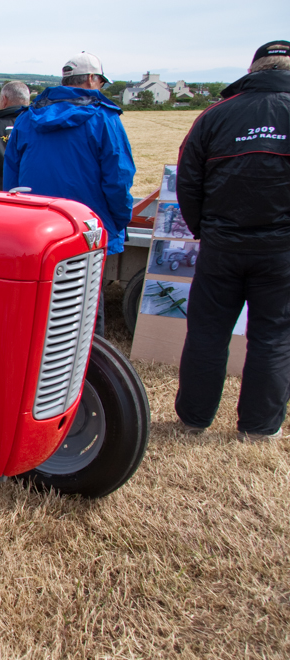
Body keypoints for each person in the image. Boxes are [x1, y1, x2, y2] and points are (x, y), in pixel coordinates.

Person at [173, 40, 290, 441]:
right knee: (273, 335)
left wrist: (204, 229)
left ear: (253, 69)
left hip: (222, 245)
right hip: (280, 251)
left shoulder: (214, 116)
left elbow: (188, 181)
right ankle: (259, 427)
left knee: (207, 331)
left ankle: (194, 418)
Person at [4, 52, 136, 336]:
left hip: (34, 230)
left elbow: (11, 178)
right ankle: (86, 373)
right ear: (91, 79)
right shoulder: (104, 119)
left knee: (38, 306)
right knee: (85, 309)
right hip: (86, 230)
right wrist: (119, 220)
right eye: (100, 81)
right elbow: (119, 179)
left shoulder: (27, 119)